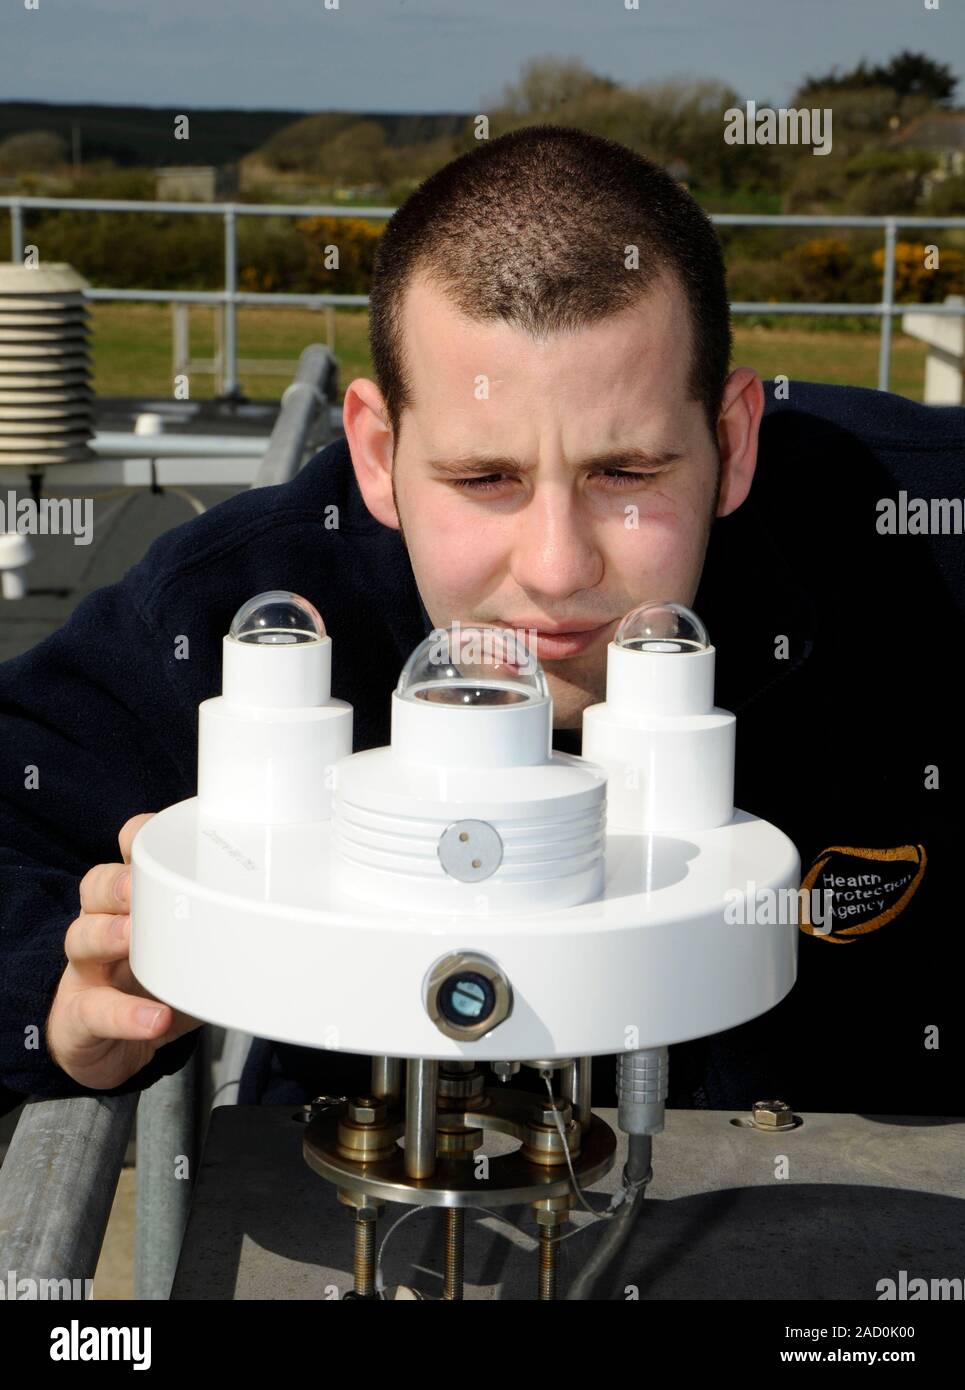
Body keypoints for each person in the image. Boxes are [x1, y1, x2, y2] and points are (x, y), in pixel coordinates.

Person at [1, 126, 962, 1121]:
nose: (555, 568)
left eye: (625, 475)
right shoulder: (254, 605)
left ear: (729, 438)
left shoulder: (922, 531)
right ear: (376, 453)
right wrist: (57, 995)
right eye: (482, 479)